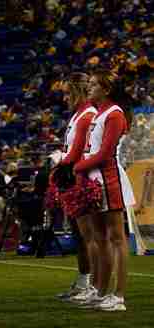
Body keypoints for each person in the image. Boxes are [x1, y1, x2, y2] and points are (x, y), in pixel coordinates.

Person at [73, 69, 135, 311]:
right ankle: (101, 291)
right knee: (101, 238)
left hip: (109, 179)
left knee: (117, 239)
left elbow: (105, 153)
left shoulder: (115, 114)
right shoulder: (99, 113)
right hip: (94, 178)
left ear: (106, 90)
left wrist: (75, 166)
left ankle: (118, 296)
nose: (89, 88)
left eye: (93, 85)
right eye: (88, 84)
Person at [54, 72, 98, 301]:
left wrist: (59, 159)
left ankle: (92, 285)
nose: (64, 98)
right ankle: (83, 282)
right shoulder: (77, 115)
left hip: (83, 180)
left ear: (78, 91)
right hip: (74, 178)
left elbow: (78, 151)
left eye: (67, 93)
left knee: (88, 236)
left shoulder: (88, 115)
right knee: (80, 236)